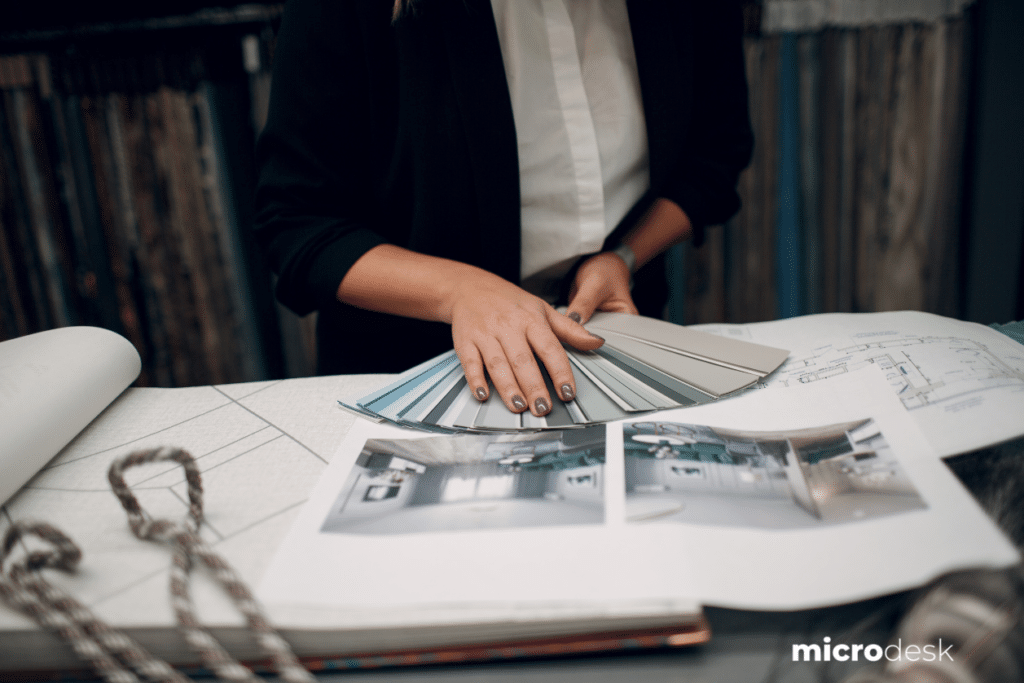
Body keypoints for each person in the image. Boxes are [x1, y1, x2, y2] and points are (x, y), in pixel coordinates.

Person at [254, 0, 753, 419]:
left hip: (610, 342)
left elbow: (715, 153)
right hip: (412, 372)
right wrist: (461, 292)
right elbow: (297, 223)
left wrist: (623, 256)